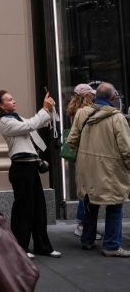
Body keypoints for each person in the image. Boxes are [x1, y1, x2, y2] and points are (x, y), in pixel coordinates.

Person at [0, 90, 61, 259]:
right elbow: (30, 125)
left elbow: (36, 123)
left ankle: (43, 246)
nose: (14, 101)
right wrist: (44, 109)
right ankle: (20, 247)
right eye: (9, 99)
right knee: (24, 209)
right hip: (21, 168)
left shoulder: (14, 117)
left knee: (39, 207)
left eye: (13, 98)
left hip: (30, 166)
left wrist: (49, 110)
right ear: (0, 106)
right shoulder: (4, 121)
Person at [67, 82, 130, 257]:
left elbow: (72, 140)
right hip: (111, 170)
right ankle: (111, 245)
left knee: (90, 203)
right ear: (112, 97)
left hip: (87, 168)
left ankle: (87, 240)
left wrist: (85, 156)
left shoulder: (81, 113)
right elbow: (126, 148)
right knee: (115, 205)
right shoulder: (117, 118)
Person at [65, 83, 99, 238]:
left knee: (85, 189)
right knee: (87, 191)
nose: (93, 96)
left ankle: (83, 224)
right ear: (86, 95)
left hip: (80, 153)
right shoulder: (84, 111)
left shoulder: (74, 109)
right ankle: (82, 224)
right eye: (91, 94)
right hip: (87, 152)